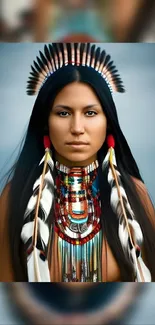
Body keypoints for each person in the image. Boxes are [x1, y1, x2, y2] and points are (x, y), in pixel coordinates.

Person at [0, 43, 155, 283]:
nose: (77, 128)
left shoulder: (135, 195)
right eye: (63, 113)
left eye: (90, 113)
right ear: (45, 122)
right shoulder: (15, 197)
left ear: (108, 122)